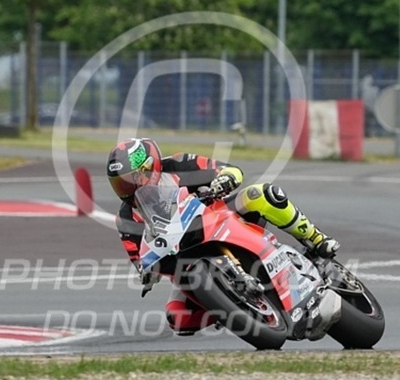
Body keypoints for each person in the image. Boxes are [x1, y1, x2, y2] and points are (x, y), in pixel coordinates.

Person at [106, 137, 340, 335]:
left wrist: (224, 180)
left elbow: (230, 170)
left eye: (132, 178)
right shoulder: (126, 218)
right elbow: (140, 259)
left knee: (260, 194)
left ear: (151, 167)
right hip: (184, 257)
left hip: (218, 216)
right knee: (178, 319)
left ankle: (316, 240)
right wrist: (148, 274)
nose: (128, 188)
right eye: (120, 184)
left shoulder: (179, 165)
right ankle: (231, 305)